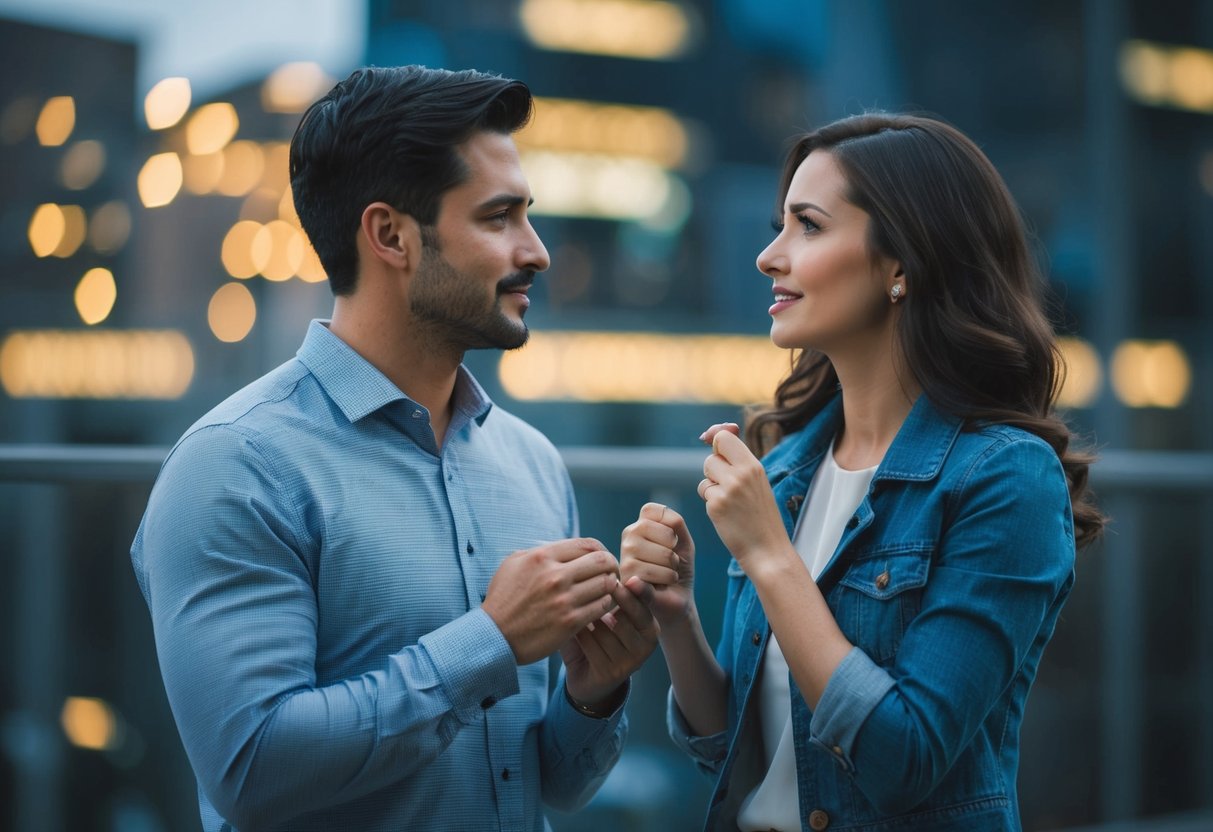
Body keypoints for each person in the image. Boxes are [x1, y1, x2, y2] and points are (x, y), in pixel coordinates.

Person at [131, 65, 657, 831]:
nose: (536, 251)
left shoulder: (532, 461)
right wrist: (492, 641)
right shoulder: (235, 466)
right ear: (389, 236)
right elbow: (250, 769)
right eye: (498, 217)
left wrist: (593, 692)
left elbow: (542, 782)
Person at [620, 113, 1104, 831]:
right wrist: (675, 615)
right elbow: (737, 750)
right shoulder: (785, 470)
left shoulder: (1005, 480)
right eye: (778, 224)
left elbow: (902, 759)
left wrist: (767, 555)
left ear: (900, 264)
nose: (767, 257)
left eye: (807, 226)